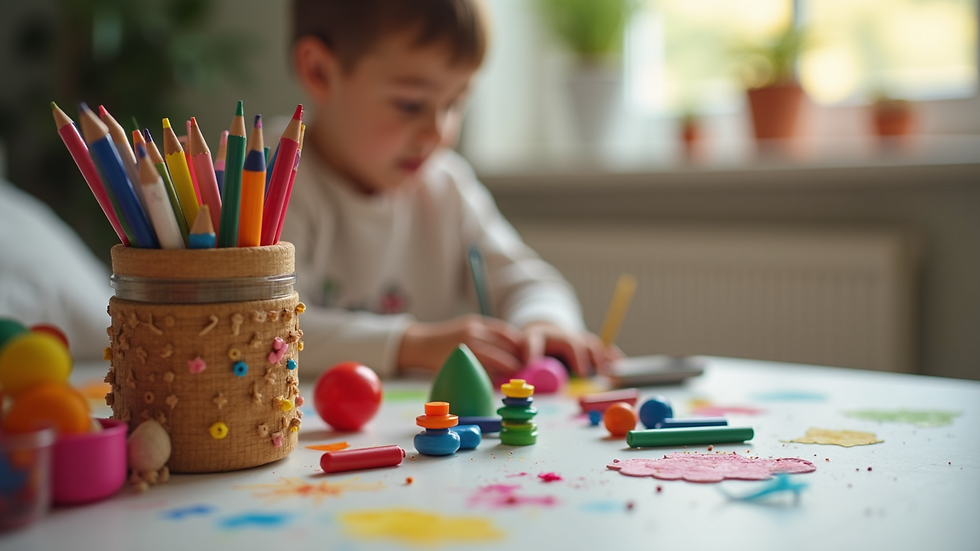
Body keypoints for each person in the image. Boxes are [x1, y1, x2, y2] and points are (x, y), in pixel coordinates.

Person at [283, 0, 612, 380]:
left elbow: (528, 282)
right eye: (410, 104)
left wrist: (543, 324)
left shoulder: (446, 186)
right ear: (319, 71)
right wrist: (414, 344)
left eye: (455, 103)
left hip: (421, 434)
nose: (438, 131)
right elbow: (266, 331)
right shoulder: (273, 185)